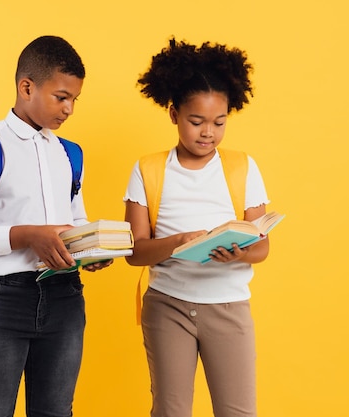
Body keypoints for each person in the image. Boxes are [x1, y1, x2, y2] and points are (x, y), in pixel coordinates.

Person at [0, 35, 112, 417]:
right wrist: (25, 235)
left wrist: (91, 250)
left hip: (65, 296)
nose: (69, 109)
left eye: (74, 100)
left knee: (56, 410)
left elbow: (75, 219)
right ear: (26, 87)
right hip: (1, 298)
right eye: (61, 97)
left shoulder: (69, 153)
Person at [123, 38, 271, 417]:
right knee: (170, 411)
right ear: (174, 114)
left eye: (219, 123)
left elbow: (262, 247)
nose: (208, 132)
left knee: (237, 411)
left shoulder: (241, 167)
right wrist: (176, 243)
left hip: (228, 307)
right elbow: (135, 251)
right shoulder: (148, 169)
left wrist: (238, 252)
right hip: (167, 306)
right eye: (197, 121)